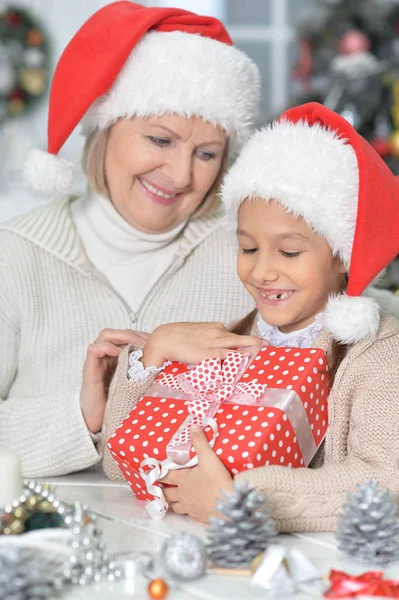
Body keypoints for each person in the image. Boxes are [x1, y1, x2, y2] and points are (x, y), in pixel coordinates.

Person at [102, 102, 399, 532]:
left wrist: (241, 500)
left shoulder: (376, 355)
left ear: (343, 255)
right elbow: (119, 461)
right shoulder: (225, 340)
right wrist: (154, 352)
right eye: (248, 247)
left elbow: (386, 482)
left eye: (290, 252)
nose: (262, 272)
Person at [0, 2, 262, 477]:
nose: (181, 174)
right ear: (105, 126)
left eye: (206, 153)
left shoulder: (250, 256)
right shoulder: (12, 256)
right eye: (160, 140)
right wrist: (83, 416)